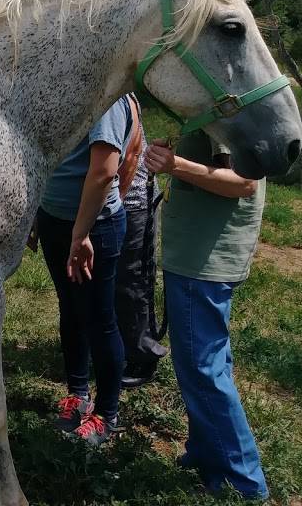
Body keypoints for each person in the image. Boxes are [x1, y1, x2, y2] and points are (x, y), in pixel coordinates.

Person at [145, 133, 270, 499]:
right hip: (199, 256)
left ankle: (243, 483)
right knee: (205, 364)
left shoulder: (226, 114)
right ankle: (206, 452)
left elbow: (243, 182)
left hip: (203, 261)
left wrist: (175, 164)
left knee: (204, 370)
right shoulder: (220, 106)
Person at [37, 95, 134, 446]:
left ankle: (107, 413)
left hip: (94, 230)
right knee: (71, 309)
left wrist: (82, 233)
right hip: (56, 221)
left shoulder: (107, 100)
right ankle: (78, 395)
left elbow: (105, 170)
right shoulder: (72, 85)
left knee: (99, 319)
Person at [115, 95, 168, 388]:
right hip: (113, 202)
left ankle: (143, 355)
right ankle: (121, 346)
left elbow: (132, 154)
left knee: (134, 281)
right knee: (117, 282)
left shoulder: (124, 97)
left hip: (133, 199)